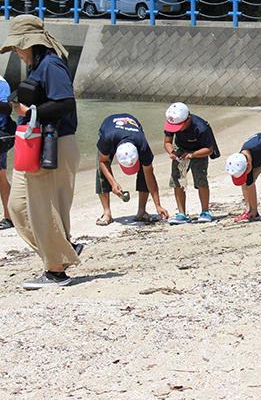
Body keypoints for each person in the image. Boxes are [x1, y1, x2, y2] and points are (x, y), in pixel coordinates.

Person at [1, 15, 82, 289]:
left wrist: (31, 112)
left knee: (42, 209)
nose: (15, 51)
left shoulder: (51, 64)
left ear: (30, 43)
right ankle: (62, 250)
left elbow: (66, 104)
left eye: (16, 46)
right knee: (18, 208)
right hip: (34, 145)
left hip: (53, 144)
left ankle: (56, 271)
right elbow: (22, 109)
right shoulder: (38, 65)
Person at [95, 113, 169, 225]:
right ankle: (107, 213)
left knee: (144, 172)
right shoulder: (107, 139)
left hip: (134, 129)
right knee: (101, 171)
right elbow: (103, 161)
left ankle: (142, 212)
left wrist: (158, 206)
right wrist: (113, 183)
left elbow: (150, 177)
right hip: (109, 128)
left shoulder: (143, 146)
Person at [163, 102, 215, 224]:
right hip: (180, 150)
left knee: (201, 180)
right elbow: (167, 142)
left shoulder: (201, 127)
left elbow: (209, 149)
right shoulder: (172, 122)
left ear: (188, 119)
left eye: (179, 126)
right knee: (177, 180)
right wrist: (172, 152)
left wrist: (193, 154)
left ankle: (205, 212)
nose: (176, 128)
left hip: (199, 151)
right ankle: (181, 214)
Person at [0, 74, 13, 230]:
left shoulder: (2, 83)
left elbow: (8, 108)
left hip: (1, 133)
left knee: (1, 178)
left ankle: (9, 217)